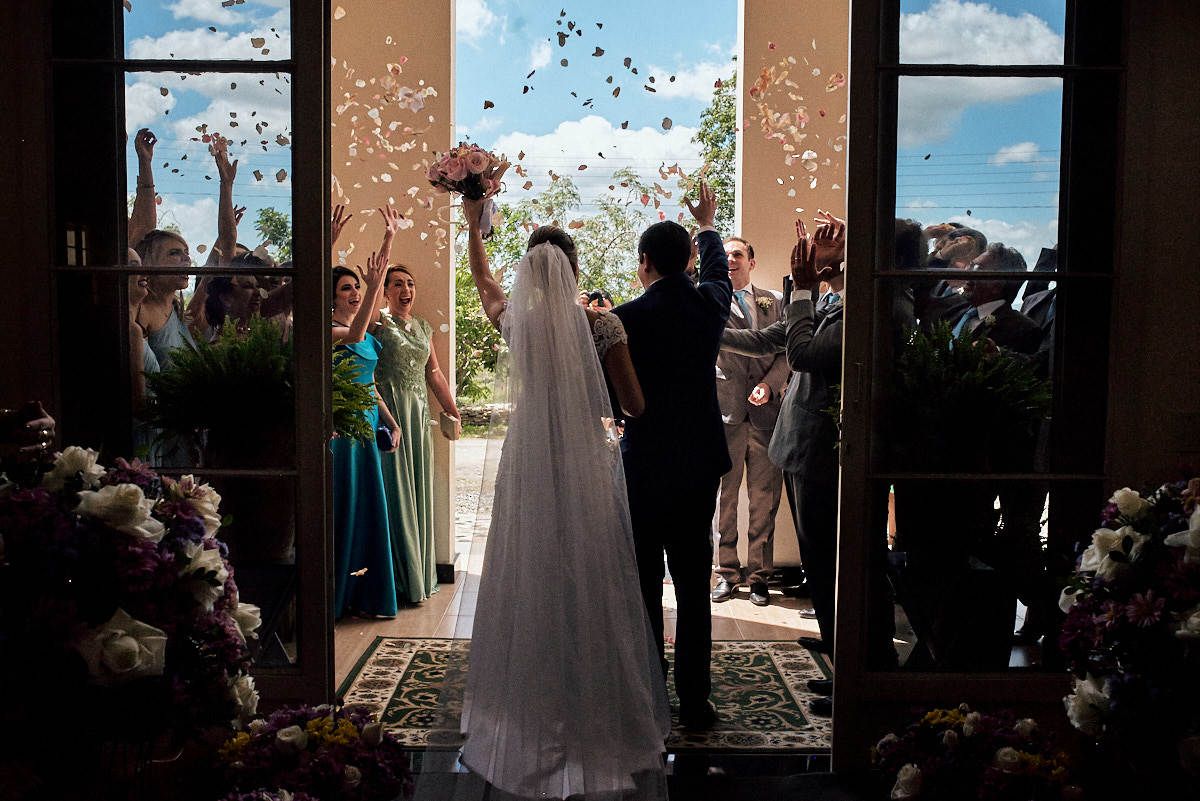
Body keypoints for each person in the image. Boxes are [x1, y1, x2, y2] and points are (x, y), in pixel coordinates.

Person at [457, 193, 666, 801]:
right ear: (573, 268)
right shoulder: (602, 324)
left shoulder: (514, 321)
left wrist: (475, 227)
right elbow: (634, 405)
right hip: (579, 455)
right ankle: (589, 699)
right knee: (589, 571)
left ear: (528, 271)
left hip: (526, 456)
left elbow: (482, 278)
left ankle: (531, 703)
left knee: (530, 570)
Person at [612, 180, 732, 731]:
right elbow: (719, 274)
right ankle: (697, 698)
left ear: (643, 263)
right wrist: (707, 225)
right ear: (686, 260)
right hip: (700, 460)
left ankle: (646, 693)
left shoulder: (624, 317)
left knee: (643, 581)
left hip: (645, 462)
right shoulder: (709, 306)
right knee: (692, 581)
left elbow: (617, 397)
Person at [373, 209, 462, 604]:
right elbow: (371, 298)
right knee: (394, 493)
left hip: (418, 418)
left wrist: (452, 409)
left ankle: (419, 576)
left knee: (417, 492)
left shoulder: (423, 327)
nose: (406, 289)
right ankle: (395, 581)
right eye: (398, 284)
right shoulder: (379, 324)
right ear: (387, 292)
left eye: (410, 283)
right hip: (389, 413)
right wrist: (389, 241)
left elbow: (436, 373)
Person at [710, 235, 788, 607]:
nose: (730, 260)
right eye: (724, 255)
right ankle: (726, 573)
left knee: (764, 499)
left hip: (765, 416)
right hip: (724, 414)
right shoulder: (709, 302)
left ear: (751, 262)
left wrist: (770, 386)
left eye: (737, 254)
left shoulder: (774, 301)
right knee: (724, 499)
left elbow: (788, 351)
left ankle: (758, 576)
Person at [331, 250, 402, 619]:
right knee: (347, 507)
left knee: (369, 509)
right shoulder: (328, 332)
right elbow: (356, 331)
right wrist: (377, 284)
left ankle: (368, 595)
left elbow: (370, 385)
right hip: (341, 431)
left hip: (366, 426)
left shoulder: (364, 337)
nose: (355, 292)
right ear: (331, 298)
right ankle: (340, 595)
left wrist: (391, 421)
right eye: (347, 288)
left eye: (357, 287)